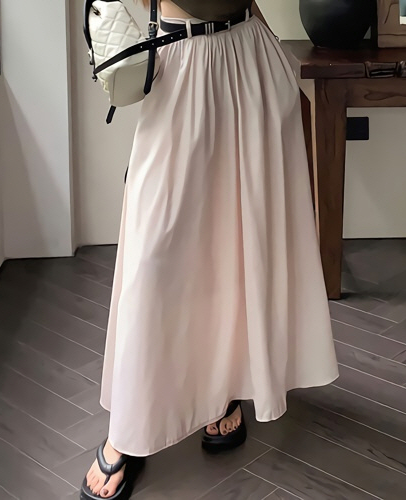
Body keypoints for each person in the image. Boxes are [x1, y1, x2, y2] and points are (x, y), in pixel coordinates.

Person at [80, 1, 339, 499]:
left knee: (236, 242)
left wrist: (280, 62)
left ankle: (224, 387)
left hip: (249, 53)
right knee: (154, 254)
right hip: (181, 59)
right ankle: (128, 428)